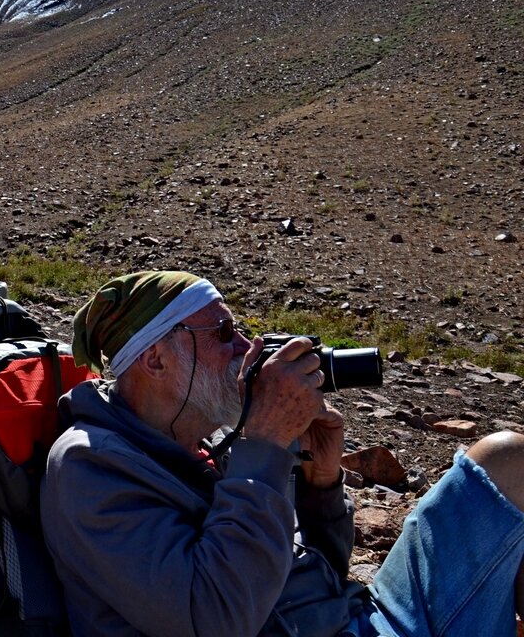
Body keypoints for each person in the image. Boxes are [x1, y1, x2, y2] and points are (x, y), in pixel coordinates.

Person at [41, 270, 524, 637]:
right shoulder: (90, 467)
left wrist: (321, 485)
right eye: (223, 334)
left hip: (349, 618)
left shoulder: (206, 441)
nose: (248, 347)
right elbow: (217, 616)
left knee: (506, 459)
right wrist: (265, 444)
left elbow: (317, 574)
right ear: (156, 359)